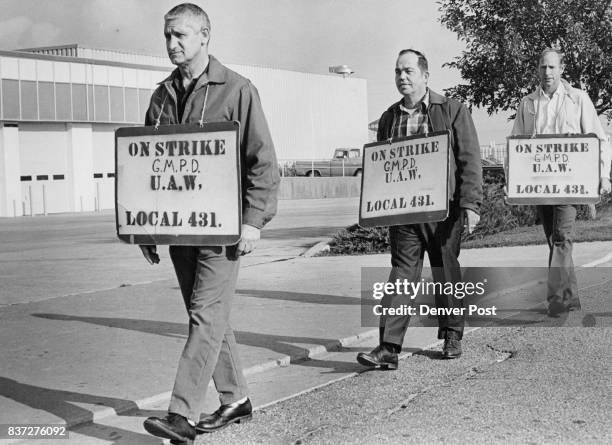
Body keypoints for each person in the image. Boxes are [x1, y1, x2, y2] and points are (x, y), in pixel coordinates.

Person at [140, 4, 279, 443]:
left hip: (225, 230)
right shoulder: (161, 96)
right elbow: (148, 166)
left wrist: (253, 221)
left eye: (180, 35)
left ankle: (181, 414)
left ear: (205, 35)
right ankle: (236, 398)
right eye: (167, 36)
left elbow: (264, 163)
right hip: (180, 229)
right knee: (209, 316)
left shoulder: (237, 89)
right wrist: (146, 228)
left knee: (204, 315)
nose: (171, 44)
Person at [356, 49, 482, 369]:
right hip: (404, 213)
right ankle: (388, 347)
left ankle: (452, 334)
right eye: (398, 71)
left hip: (444, 210)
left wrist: (470, 204)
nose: (402, 77)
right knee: (401, 275)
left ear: (425, 76)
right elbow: (383, 167)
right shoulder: (389, 117)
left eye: (409, 71)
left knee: (445, 270)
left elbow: (469, 159)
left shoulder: (451, 110)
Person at [511, 48, 612, 317]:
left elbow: (599, 139)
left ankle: (556, 298)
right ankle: (572, 295)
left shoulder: (578, 99)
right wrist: (513, 182)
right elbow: (517, 143)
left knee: (562, 237)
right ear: (537, 69)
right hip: (540, 185)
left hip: (570, 183)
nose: (547, 73)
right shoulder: (528, 103)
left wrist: (603, 175)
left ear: (562, 69)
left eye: (552, 67)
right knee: (554, 240)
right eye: (543, 67)